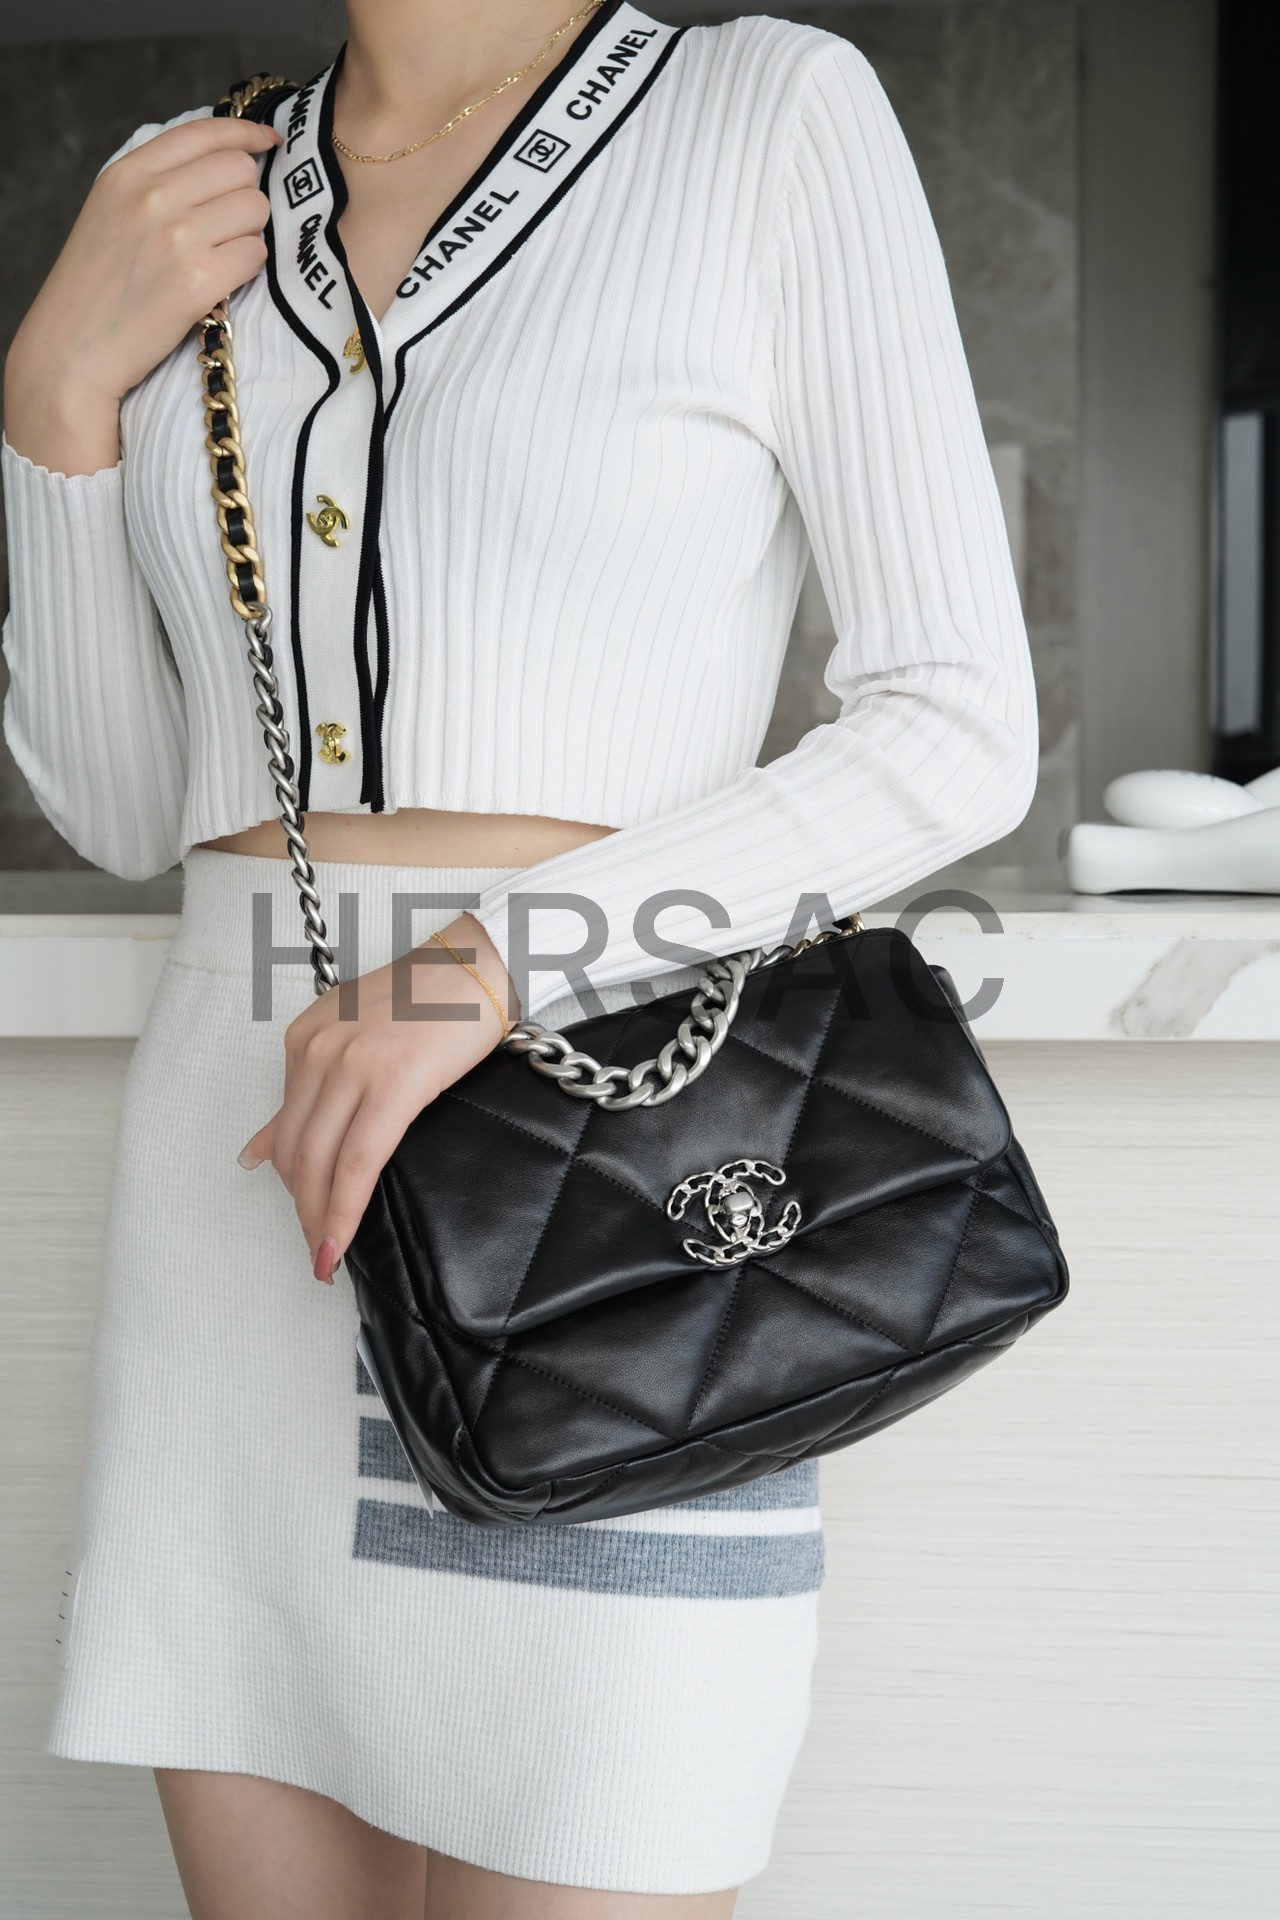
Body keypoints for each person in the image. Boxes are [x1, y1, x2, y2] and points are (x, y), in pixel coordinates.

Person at [1, 2, 1037, 1914]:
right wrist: (53, 405)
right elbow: (127, 807)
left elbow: (954, 725)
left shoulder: (764, 112)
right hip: (238, 1211)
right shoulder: (185, 180)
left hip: (608, 1191)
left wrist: (487, 965)